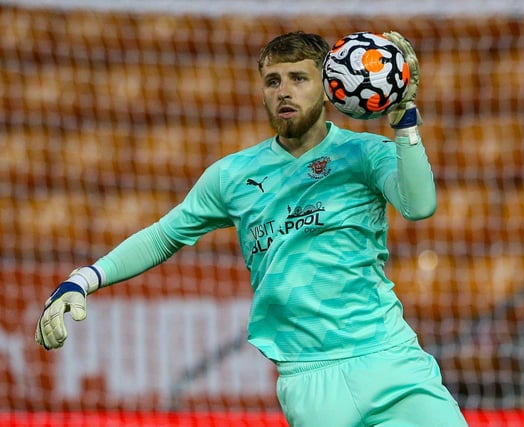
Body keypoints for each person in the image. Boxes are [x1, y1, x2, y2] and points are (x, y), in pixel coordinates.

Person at [35, 31, 469, 427]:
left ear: (329, 86)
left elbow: (420, 206)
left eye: (298, 78)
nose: (284, 91)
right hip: (308, 382)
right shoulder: (232, 176)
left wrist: (404, 120)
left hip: (388, 359)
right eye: (272, 81)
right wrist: (83, 279)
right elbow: (164, 235)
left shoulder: (365, 154)